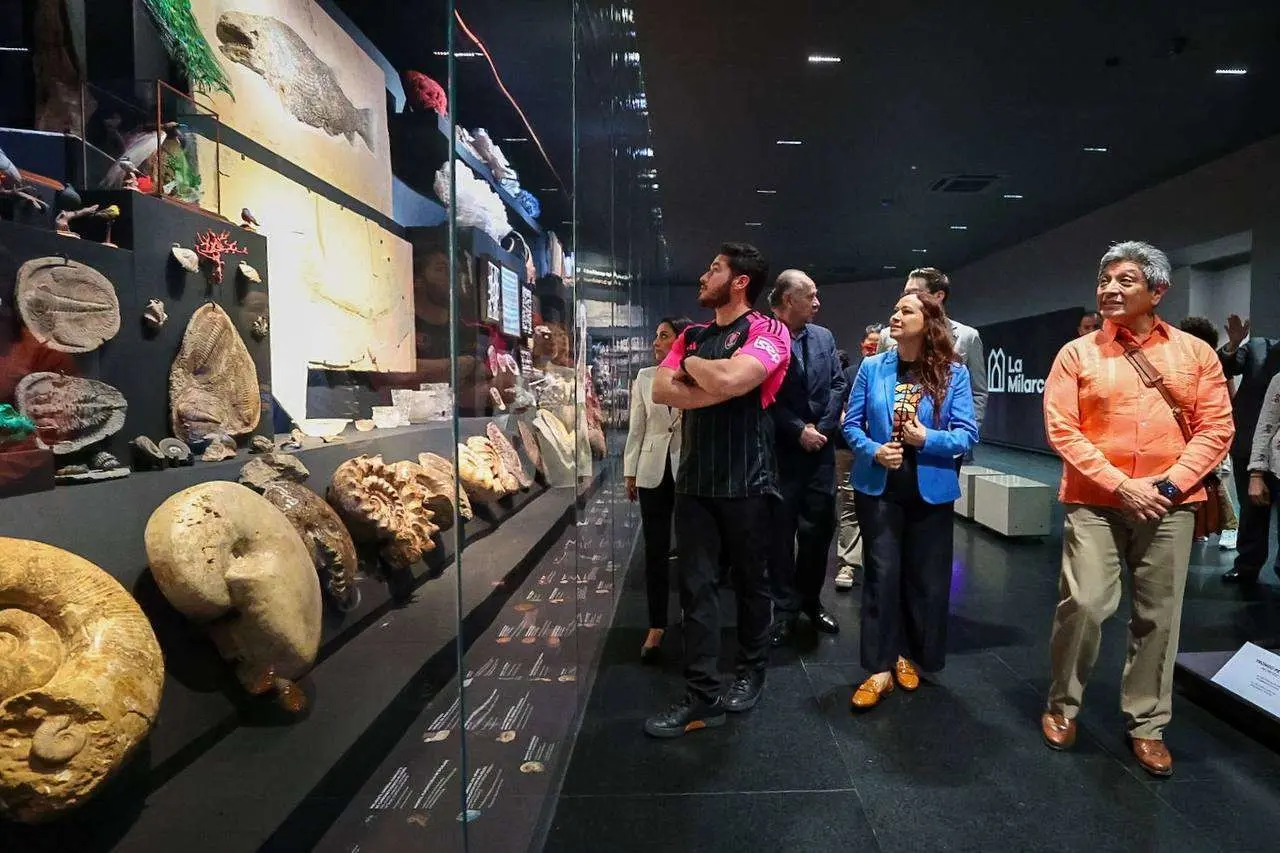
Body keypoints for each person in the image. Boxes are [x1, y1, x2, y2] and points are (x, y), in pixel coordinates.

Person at [1040, 241, 1233, 778]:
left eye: (1125, 280)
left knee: (1159, 616)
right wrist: (1122, 485)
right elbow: (1062, 430)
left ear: (1158, 290)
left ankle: (1147, 723)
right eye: (1104, 279)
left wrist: (1168, 487)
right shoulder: (1076, 354)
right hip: (1095, 500)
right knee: (1084, 602)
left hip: (1171, 505)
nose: (1109, 289)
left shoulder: (1196, 354)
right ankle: (1062, 704)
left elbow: (1217, 427)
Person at [643, 242, 790, 738]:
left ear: (740, 280)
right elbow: (661, 391)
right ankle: (701, 691)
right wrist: (720, 382)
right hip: (696, 482)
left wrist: (696, 370)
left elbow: (736, 375)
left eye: (715, 269)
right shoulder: (694, 332)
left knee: (752, 584)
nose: (704, 276)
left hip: (748, 479)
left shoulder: (768, 330)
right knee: (696, 589)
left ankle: (750, 672)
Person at [842, 294, 978, 711]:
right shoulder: (871, 367)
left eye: (905, 311)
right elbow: (850, 425)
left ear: (929, 321)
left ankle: (908, 655)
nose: (894, 316)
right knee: (882, 575)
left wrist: (928, 439)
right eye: (895, 309)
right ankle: (878, 667)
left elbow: (967, 433)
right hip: (880, 486)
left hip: (930, 489)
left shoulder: (952, 373)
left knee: (925, 581)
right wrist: (874, 451)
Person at [766, 270, 848, 645]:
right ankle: (783, 608)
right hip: (781, 452)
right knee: (780, 535)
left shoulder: (824, 337)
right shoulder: (763, 335)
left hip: (820, 453)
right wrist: (798, 429)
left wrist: (823, 429)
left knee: (818, 532)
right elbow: (764, 398)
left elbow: (837, 384)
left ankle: (811, 601)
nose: (818, 303)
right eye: (810, 296)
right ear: (787, 300)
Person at [623, 316, 692, 663]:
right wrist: (629, 472)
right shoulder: (644, 377)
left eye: (663, 336)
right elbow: (638, 427)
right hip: (652, 469)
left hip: (689, 470)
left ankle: (692, 618)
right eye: (656, 335)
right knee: (655, 550)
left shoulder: (697, 374)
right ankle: (656, 624)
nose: (655, 341)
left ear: (680, 341)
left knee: (694, 549)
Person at [880, 267, 988, 434]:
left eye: (915, 292)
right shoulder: (888, 335)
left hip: (944, 438)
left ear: (938, 296)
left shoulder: (967, 336)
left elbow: (977, 392)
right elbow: (877, 386)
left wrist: (962, 435)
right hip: (891, 435)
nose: (908, 299)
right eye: (905, 293)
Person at [1218, 313, 1280, 584]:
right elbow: (1224, 368)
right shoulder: (1258, 348)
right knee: (1251, 510)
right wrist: (1233, 344)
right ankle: (1247, 564)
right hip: (1249, 443)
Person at [1178, 316, 1239, 549]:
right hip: (1187, 434)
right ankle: (1200, 527)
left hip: (1209, 434)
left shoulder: (1214, 366)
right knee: (1196, 482)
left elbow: (1228, 403)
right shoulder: (1181, 364)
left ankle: (1231, 527)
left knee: (1217, 482)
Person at [834, 325, 882, 591]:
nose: (871, 349)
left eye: (877, 345)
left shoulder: (892, 374)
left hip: (885, 451)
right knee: (851, 504)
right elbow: (842, 412)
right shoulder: (850, 374)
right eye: (868, 345)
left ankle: (880, 564)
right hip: (850, 449)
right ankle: (849, 564)